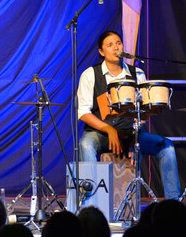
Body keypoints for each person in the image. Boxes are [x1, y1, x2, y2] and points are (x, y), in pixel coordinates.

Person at [77, 30, 180, 199]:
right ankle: (91, 200)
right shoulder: (90, 75)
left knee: (167, 147)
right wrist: (109, 130)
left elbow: (142, 111)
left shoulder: (137, 74)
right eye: (110, 45)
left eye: (118, 43)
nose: (116, 47)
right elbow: (83, 112)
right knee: (86, 145)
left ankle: (174, 202)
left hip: (130, 133)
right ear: (101, 52)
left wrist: (136, 137)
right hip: (101, 134)